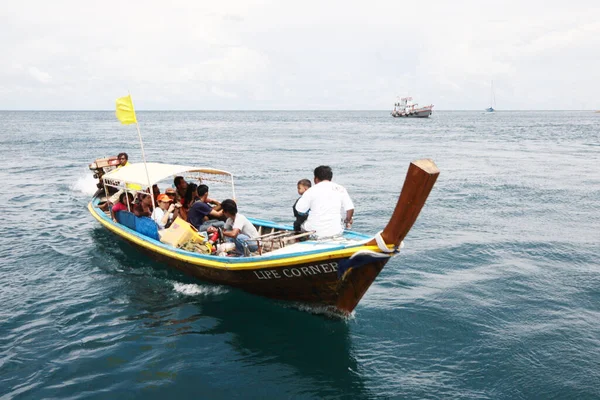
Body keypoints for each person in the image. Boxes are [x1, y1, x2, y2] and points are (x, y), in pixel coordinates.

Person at [295, 165, 354, 238]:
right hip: (336, 231)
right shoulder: (341, 189)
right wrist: (348, 219)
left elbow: (300, 210)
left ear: (315, 179)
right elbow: (350, 208)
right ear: (330, 178)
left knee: (302, 224)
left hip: (315, 232)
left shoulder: (311, 190)